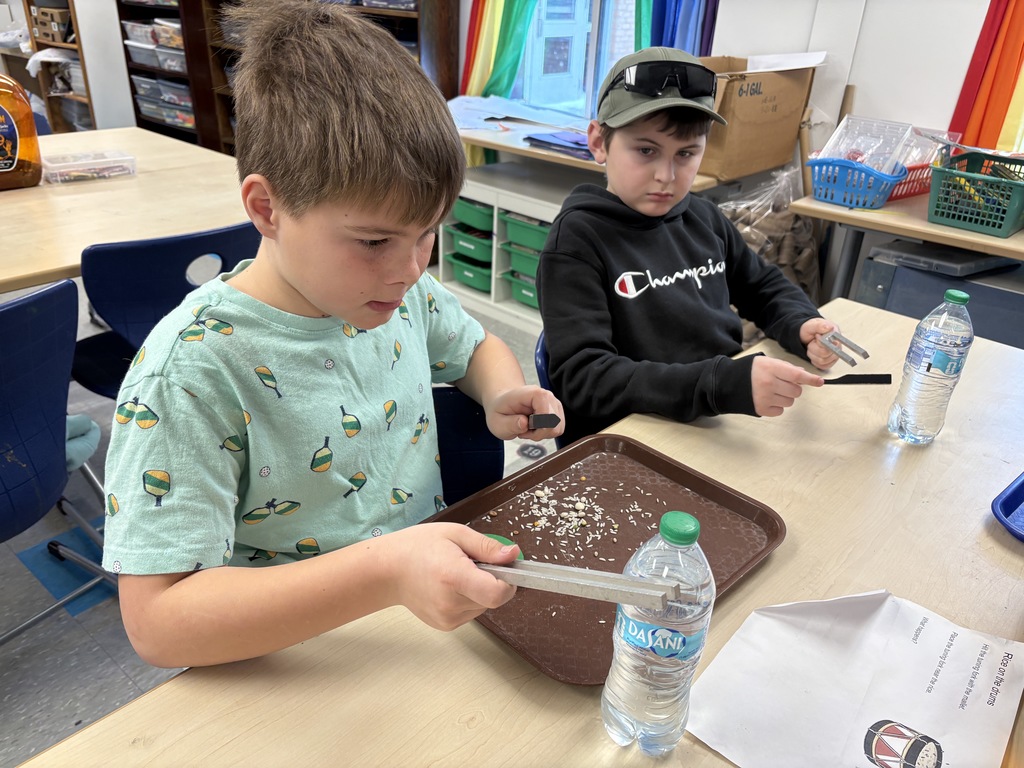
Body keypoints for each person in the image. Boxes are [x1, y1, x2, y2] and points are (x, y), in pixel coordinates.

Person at [100, 0, 564, 668]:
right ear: (267, 208)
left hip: (416, 623)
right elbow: (159, 624)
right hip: (288, 658)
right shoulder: (190, 373)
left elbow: (473, 347)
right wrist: (382, 572)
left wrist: (498, 393)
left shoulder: (400, 294)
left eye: (428, 232)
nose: (410, 270)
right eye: (374, 240)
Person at [537, 47, 839, 445]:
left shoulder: (703, 217)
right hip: (630, 437)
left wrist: (800, 323)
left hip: (714, 418)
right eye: (646, 151)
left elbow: (762, 287)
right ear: (599, 142)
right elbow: (585, 379)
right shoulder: (576, 243)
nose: (667, 175)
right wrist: (717, 384)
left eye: (686, 153)